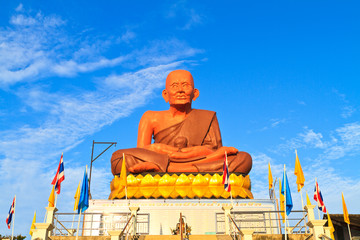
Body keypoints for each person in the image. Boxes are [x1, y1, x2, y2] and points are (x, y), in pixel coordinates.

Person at [111, 70, 252, 174]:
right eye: (174, 86)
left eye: (185, 85)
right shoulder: (150, 117)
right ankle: (170, 168)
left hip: (183, 162)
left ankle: (164, 169)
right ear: (165, 94)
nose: (180, 90)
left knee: (244, 159)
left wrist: (164, 150)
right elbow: (141, 152)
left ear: (195, 93)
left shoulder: (207, 117)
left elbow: (213, 152)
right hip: (192, 165)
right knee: (120, 158)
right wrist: (168, 152)